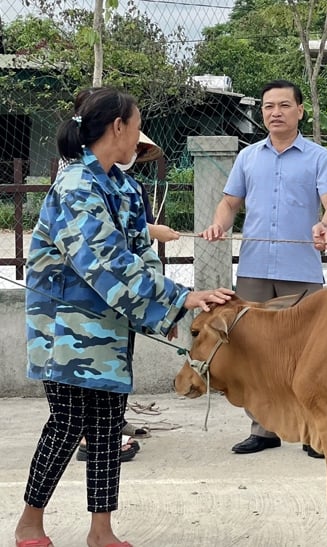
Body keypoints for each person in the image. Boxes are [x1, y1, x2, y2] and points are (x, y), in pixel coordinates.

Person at [14, 87, 233, 547]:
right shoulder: (75, 186)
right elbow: (107, 261)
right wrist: (180, 298)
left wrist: (178, 303)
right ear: (119, 127)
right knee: (68, 422)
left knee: (109, 426)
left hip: (109, 328)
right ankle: (30, 523)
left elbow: (139, 256)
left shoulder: (122, 186)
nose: (139, 137)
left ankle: (101, 530)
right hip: (67, 329)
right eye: (136, 125)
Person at [200, 79, 327, 458]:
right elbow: (230, 204)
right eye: (267, 107)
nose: (275, 112)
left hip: (302, 268)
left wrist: (323, 225)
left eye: (283, 105)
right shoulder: (248, 157)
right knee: (253, 349)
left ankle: (314, 430)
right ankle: (262, 429)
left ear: (299, 110)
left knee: (310, 352)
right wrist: (219, 224)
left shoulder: (318, 157)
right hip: (254, 267)